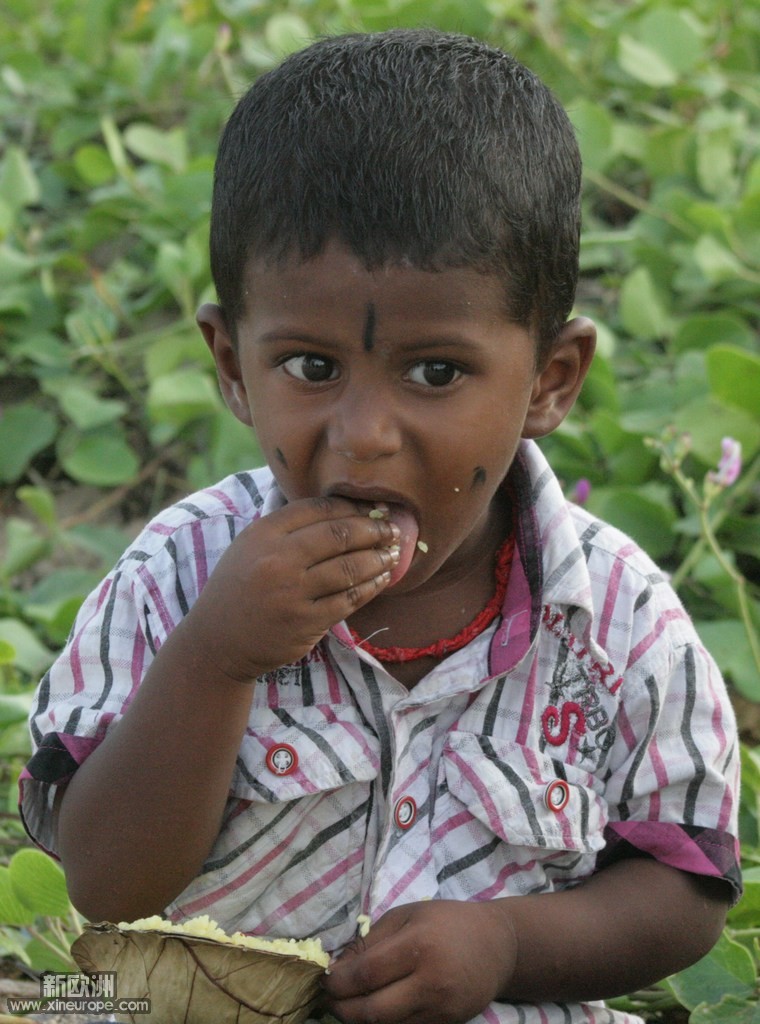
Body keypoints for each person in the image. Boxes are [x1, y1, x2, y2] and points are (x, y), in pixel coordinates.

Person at [21, 29, 741, 1024]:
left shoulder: (619, 623)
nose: (363, 438)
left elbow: (684, 885)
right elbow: (105, 882)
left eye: (436, 371)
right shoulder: (175, 577)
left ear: (550, 379)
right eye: (310, 368)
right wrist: (214, 657)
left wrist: (506, 943)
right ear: (230, 363)